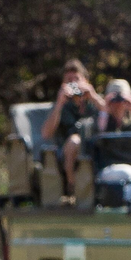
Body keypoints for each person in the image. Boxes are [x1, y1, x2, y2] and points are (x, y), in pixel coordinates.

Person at [41, 59, 104, 196]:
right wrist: (59, 103)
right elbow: (46, 134)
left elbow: (112, 117)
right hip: (66, 154)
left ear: (86, 81)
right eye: (69, 80)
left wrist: (93, 95)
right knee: (75, 141)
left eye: (77, 79)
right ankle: (73, 187)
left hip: (96, 149)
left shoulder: (94, 102)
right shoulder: (61, 106)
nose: (74, 84)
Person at [95, 79, 131, 167]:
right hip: (110, 166)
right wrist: (105, 109)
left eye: (123, 99)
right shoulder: (102, 121)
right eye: (114, 99)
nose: (118, 103)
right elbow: (99, 136)